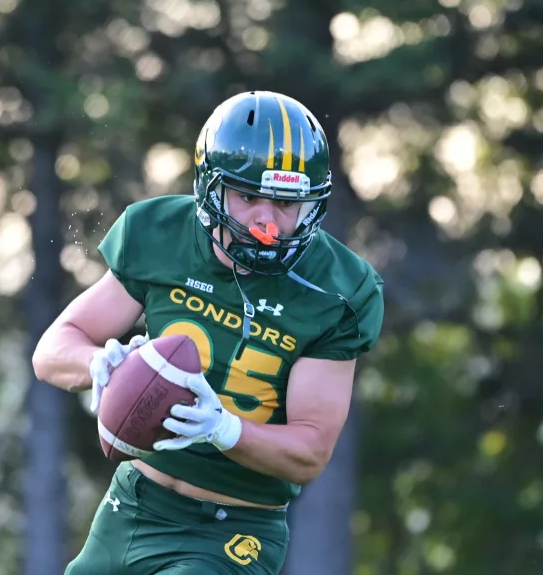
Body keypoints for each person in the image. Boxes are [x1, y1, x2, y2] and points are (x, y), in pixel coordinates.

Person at [32, 90, 385, 574]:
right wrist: (96, 363)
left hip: (232, 531)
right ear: (210, 188)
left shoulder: (339, 290)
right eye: (247, 196)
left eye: (286, 203)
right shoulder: (161, 232)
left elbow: (309, 451)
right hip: (131, 507)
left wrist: (224, 428)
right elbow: (52, 350)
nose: (266, 221)